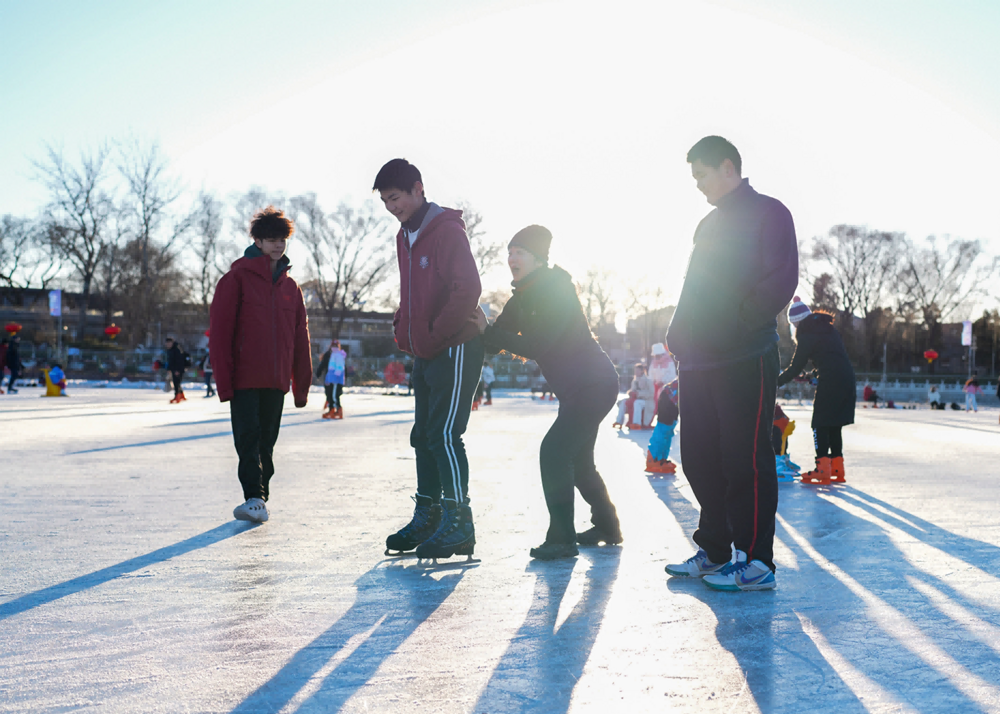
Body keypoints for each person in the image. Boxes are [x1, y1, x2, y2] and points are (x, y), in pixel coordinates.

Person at [664, 136, 798, 592]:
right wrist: (678, 331)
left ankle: (756, 561)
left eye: (701, 174)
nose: (698, 185)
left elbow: (782, 278)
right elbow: (693, 283)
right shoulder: (707, 225)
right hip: (699, 358)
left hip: (745, 353)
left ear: (727, 167)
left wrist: (740, 321)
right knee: (700, 457)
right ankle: (716, 550)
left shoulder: (770, 213)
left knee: (745, 458)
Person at [478, 225, 622, 559]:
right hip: (575, 391)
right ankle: (608, 526)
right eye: (510, 252)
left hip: (594, 384)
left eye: (520, 253)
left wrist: (492, 334)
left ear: (539, 259)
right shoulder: (521, 298)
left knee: (555, 452)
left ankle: (561, 537)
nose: (512, 258)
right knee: (580, 462)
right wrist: (478, 329)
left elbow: (538, 344)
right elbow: (494, 342)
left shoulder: (557, 289)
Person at [374, 159, 485, 559]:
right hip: (427, 349)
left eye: (396, 198)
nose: (392, 207)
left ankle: (459, 521)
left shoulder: (446, 231)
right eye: (386, 201)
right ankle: (430, 515)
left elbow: (467, 287)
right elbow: (412, 294)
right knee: (422, 435)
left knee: (444, 434)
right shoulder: (405, 235)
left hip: (455, 346)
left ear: (418, 189)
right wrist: (405, 328)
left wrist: (437, 334)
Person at [210, 206, 312, 524]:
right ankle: (254, 497)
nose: (277, 245)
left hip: (276, 379)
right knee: (249, 438)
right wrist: (224, 383)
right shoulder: (236, 279)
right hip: (244, 377)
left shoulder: (291, 288)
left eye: (282, 239)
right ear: (257, 240)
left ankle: (260, 498)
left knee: (267, 441)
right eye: (271, 239)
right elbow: (220, 333)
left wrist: (301, 384)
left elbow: (301, 337)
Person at [777, 299, 856, 484]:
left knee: (820, 424)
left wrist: (777, 381)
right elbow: (831, 358)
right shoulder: (827, 329)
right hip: (847, 379)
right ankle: (837, 468)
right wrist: (809, 375)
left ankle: (822, 470)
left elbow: (795, 365)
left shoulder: (807, 334)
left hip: (831, 382)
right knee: (834, 424)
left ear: (796, 323)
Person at [646, 379, 679, 474]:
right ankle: (653, 458)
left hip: (674, 401)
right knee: (663, 428)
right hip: (667, 397)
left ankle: (662, 459)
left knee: (669, 430)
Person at [614, 363, 655, 429]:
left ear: (642, 371)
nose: (636, 372)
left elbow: (651, 394)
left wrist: (639, 394)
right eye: (635, 371)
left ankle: (636, 423)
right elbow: (632, 390)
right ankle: (619, 421)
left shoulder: (648, 381)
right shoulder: (634, 381)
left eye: (637, 370)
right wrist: (630, 392)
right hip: (635, 399)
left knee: (637, 403)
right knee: (623, 402)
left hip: (647, 401)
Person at [315, 340, 347, 419]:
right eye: (333, 346)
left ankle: (338, 409)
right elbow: (326, 365)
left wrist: (337, 375)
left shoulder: (338, 355)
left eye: (336, 346)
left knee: (335, 395)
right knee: (330, 394)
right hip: (330, 378)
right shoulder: (330, 354)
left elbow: (341, 367)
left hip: (336, 379)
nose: (334, 348)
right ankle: (332, 409)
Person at [164, 337, 190, 404]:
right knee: (177, 382)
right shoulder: (170, 350)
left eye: (169, 343)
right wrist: (169, 369)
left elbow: (179, 361)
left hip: (178, 369)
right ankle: (181, 395)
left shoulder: (176, 349)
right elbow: (170, 361)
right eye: (167, 343)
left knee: (176, 383)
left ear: (172, 343)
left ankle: (177, 396)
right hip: (174, 369)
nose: (168, 345)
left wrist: (177, 370)